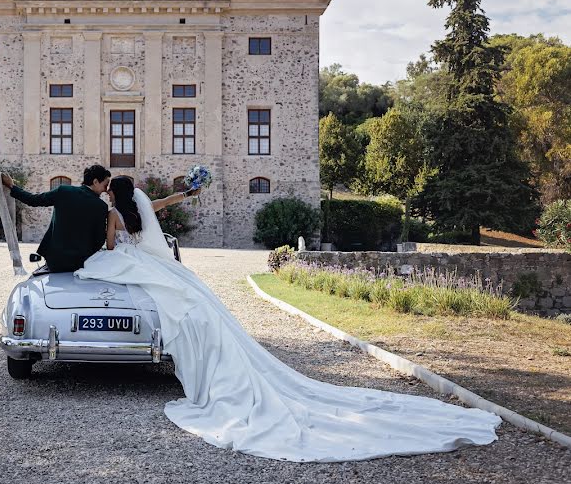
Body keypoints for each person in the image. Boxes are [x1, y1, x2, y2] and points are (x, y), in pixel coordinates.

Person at [75, 179, 502, 462]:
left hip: (141, 261)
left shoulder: (113, 213)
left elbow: (112, 248)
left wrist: (105, 245)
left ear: (113, 194)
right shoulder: (141, 206)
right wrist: (187, 194)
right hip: (165, 263)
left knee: (103, 267)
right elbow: (160, 208)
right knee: (191, 302)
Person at [2, 165, 110, 273]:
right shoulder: (101, 206)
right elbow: (99, 240)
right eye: (105, 185)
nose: (106, 190)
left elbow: (33, 200)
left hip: (55, 262)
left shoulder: (63, 191)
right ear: (95, 182)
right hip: (82, 264)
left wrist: (12, 186)